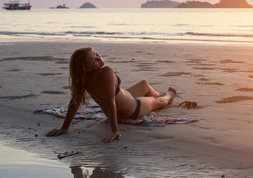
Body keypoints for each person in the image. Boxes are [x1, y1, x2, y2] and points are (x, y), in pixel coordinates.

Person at [46, 47, 176, 143]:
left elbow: (75, 101)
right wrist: (115, 131)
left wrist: (65, 127)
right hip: (132, 109)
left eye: (96, 54)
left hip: (124, 98)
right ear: (85, 68)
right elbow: (110, 102)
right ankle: (169, 96)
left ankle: (157, 93)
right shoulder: (106, 72)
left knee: (144, 84)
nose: (99, 58)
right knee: (156, 101)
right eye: (94, 60)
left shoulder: (82, 79)